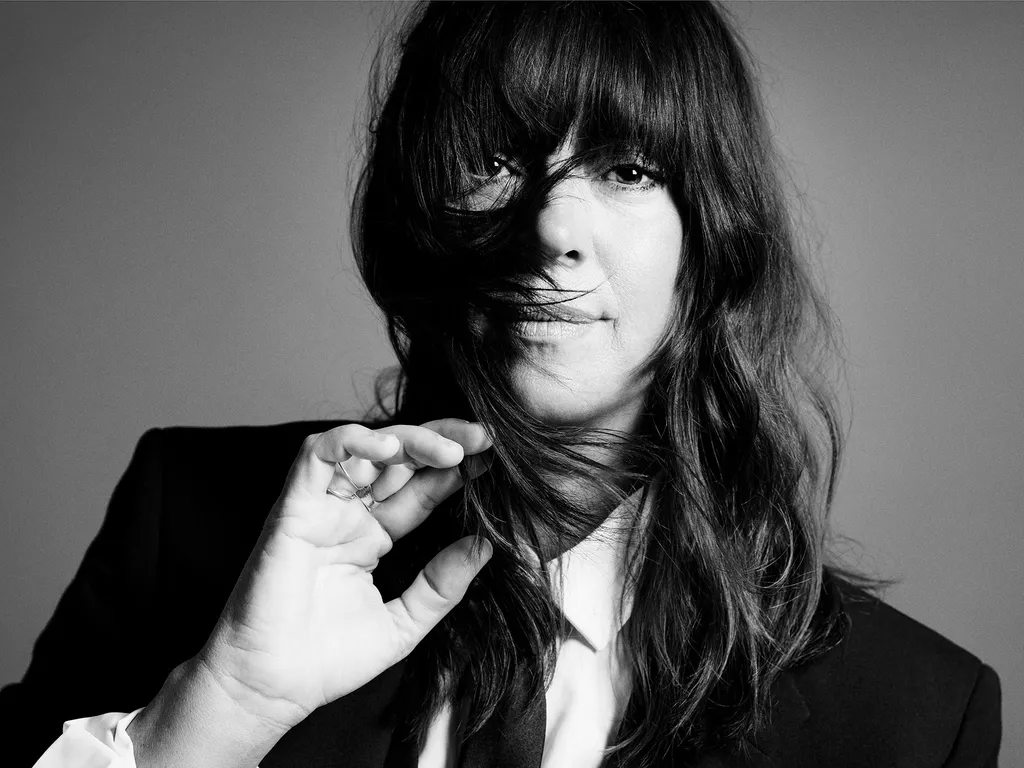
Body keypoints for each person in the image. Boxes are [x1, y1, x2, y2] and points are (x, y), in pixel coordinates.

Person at [2, 2, 1001, 767]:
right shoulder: (188, 522)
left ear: (711, 236)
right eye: (493, 159)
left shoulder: (912, 713)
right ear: (419, 214)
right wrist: (222, 707)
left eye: (628, 169)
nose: (553, 229)